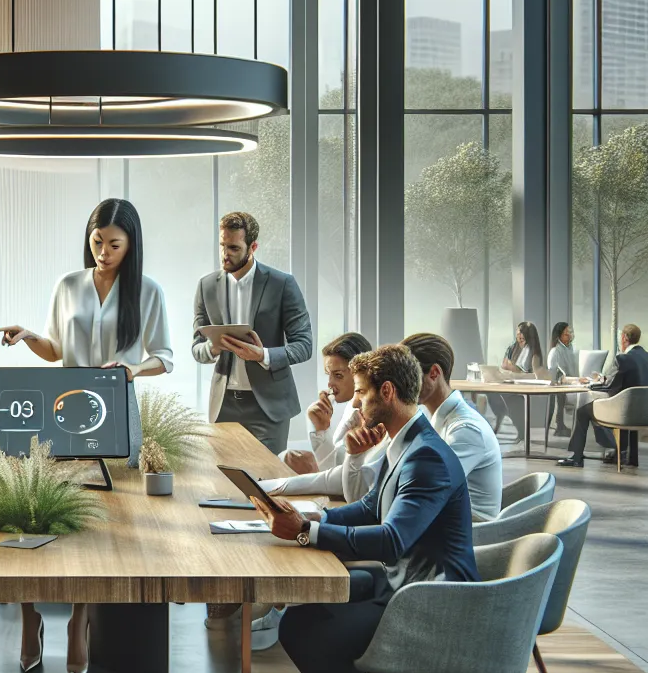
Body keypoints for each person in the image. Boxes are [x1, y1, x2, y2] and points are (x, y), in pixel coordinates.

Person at [251, 343, 478, 673]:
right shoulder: (408, 442)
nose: (353, 403)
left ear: (387, 392)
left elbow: (393, 537)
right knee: (306, 613)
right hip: (404, 584)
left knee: (308, 630)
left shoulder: (426, 457)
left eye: (360, 393)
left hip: (433, 602)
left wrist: (305, 534)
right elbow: (372, 507)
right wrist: (312, 519)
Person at [0, 198, 174, 673]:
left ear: (131, 245)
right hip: (62, 407)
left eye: (114, 244)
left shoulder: (147, 290)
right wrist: (29, 334)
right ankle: (30, 614)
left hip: (116, 410)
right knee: (37, 510)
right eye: (97, 241)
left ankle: (79, 618)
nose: (104, 251)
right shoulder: (67, 285)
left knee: (101, 520)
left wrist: (132, 368)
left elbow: (166, 356)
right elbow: (54, 351)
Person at [188, 211, 313, 454]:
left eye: (234, 247)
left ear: (252, 246)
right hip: (224, 405)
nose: (226, 253)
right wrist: (212, 347)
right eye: (223, 245)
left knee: (267, 484)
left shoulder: (282, 284)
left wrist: (263, 355)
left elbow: (304, 344)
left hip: (268, 407)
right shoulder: (206, 286)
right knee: (225, 482)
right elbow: (196, 349)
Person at [264, 332, 383, 501]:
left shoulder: (376, 418)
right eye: (329, 374)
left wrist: (275, 486)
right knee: (288, 457)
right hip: (340, 493)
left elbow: (344, 480)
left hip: (357, 503)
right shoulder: (352, 408)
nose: (330, 384)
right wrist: (320, 429)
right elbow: (334, 467)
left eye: (338, 375)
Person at [401, 332, 504, 519]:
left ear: (434, 373)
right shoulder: (433, 418)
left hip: (467, 535)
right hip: (440, 522)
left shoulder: (465, 430)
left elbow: (425, 489)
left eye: (408, 376)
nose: (402, 386)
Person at [556, 323, 648, 468]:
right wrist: (605, 378)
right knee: (620, 405)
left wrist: (593, 383)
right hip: (642, 411)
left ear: (624, 338)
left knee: (583, 412)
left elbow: (610, 386)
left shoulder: (623, 359)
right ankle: (626, 455)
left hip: (624, 411)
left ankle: (577, 457)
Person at [487, 322, 545, 440]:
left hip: (524, 385)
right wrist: (510, 367)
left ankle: (518, 428)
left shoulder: (532, 351)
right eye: (518, 332)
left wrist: (511, 367)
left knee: (511, 398)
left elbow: (523, 370)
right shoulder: (512, 347)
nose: (519, 335)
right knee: (491, 392)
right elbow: (505, 365)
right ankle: (500, 414)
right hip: (510, 379)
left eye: (522, 333)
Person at [545, 321, 581, 434]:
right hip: (562, 387)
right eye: (566, 333)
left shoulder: (571, 349)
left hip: (574, 383)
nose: (570, 335)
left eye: (570, 332)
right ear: (559, 335)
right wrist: (576, 380)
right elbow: (557, 377)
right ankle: (560, 425)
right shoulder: (555, 352)